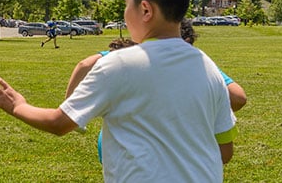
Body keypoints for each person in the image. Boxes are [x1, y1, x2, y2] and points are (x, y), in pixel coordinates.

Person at [0, 0, 237, 181]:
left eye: (127, 6)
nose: (125, 15)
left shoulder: (120, 64)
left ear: (145, 10)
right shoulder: (208, 67)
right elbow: (225, 151)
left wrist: (16, 105)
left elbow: (59, 123)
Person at [64, 19, 248, 164]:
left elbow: (84, 64)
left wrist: (72, 108)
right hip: (168, 150)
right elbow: (238, 98)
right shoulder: (198, 64)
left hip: (116, 145)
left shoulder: (126, 54)